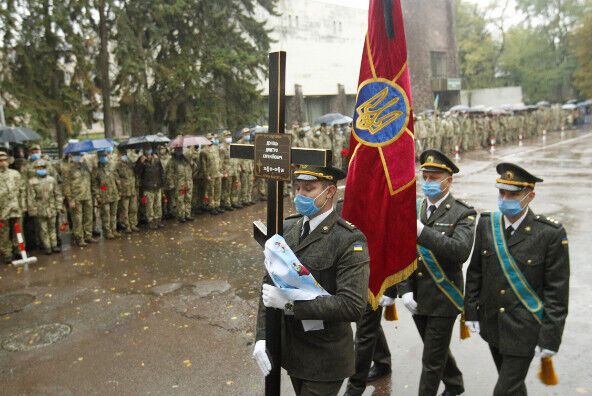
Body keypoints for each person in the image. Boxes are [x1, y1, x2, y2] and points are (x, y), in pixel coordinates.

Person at [253, 165, 370, 396]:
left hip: (325, 356)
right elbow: (269, 285)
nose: (300, 195)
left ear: (329, 192)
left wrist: (289, 304)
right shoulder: (287, 228)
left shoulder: (349, 239)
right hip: (293, 352)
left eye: (309, 189)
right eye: (298, 188)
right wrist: (262, 337)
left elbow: (352, 306)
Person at [465, 163, 570, 396]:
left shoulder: (550, 234)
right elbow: (475, 272)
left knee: (503, 391)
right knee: (512, 387)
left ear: (530, 196)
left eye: (512, 194)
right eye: (501, 192)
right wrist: (471, 310)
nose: (504, 198)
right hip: (492, 324)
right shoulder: (486, 225)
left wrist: (551, 338)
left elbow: (557, 293)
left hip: (525, 328)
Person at [398, 149, 476, 396]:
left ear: (448, 180)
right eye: (426, 177)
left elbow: (460, 251)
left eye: (435, 178)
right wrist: (405, 289)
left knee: (431, 359)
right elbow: (403, 251)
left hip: (445, 296)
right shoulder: (416, 206)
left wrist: (422, 232)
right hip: (418, 295)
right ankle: (454, 384)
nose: (428, 183)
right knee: (436, 348)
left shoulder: (462, 213)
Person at [344, 285, 397, 396]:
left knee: (365, 331)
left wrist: (389, 290)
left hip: (373, 282)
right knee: (368, 324)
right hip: (353, 280)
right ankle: (383, 363)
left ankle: (354, 389)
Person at [26, 159, 63, 254]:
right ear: (35, 169)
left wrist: (59, 206)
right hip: (40, 208)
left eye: (42, 167)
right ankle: (47, 247)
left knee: (53, 227)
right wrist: (33, 210)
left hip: (52, 207)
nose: (41, 169)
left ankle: (54, 245)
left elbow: (57, 194)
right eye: (38, 168)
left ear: (46, 168)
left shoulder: (51, 180)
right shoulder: (32, 182)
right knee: (43, 229)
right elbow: (31, 198)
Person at [63, 152, 96, 247]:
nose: (81, 157)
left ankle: (88, 236)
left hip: (87, 196)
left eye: (81, 155)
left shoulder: (85, 166)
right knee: (78, 219)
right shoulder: (68, 168)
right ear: (72, 156)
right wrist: (70, 200)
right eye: (78, 155)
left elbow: (92, 177)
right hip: (76, 198)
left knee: (88, 217)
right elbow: (66, 186)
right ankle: (79, 238)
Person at [0, 151, 26, 264]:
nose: (3, 162)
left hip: (16, 207)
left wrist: (23, 205)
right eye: (0, 160)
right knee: (3, 232)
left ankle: (19, 251)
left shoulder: (15, 173)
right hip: (2, 209)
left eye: (4, 160)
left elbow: (22, 190)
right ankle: (7, 253)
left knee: (18, 230)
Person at [135, 144, 165, 229]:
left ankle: (158, 220)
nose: (148, 150)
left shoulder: (156, 159)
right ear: (143, 150)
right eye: (146, 149)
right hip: (148, 187)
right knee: (149, 206)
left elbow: (161, 172)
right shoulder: (141, 160)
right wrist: (141, 162)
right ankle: (151, 222)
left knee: (158, 205)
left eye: (149, 148)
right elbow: (137, 172)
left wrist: (162, 184)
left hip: (157, 186)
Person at [92, 150, 120, 239]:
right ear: (99, 158)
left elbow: (117, 179)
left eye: (105, 156)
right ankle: (107, 231)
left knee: (113, 214)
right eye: (102, 156)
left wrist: (119, 190)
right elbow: (94, 185)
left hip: (114, 194)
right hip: (104, 196)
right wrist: (97, 196)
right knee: (106, 214)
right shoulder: (96, 170)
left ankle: (114, 229)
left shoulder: (111, 167)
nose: (104, 158)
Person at [166, 145, 194, 223]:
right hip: (179, 184)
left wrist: (192, 163)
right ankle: (181, 215)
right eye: (178, 149)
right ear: (175, 150)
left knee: (188, 199)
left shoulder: (186, 159)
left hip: (188, 183)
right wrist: (171, 184)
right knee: (180, 200)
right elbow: (169, 174)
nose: (180, 151)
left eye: (181, 149)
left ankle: (187, 214)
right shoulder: (172, 161)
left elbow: (194, 168)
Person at [116, 148, 139, 233]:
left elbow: (135, 174)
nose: (124, 156)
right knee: (124, 209)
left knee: (133, 208)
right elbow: (117, 178)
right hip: (124, 191)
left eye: (125, 154)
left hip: (132, 189)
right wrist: (119, 190)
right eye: (122, 154)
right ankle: (126, 226)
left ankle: (133, 224)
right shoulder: (118, 165)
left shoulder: (131, 163)